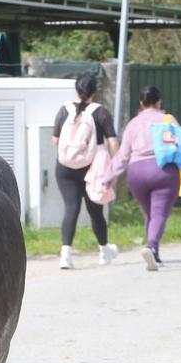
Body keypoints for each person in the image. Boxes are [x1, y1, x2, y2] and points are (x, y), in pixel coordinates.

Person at [100, 85, 181, 271]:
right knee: (159, 214)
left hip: (137, 173)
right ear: (159, 102)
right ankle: (151, 246)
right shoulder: (168, 120)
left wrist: (108, 176)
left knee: (150, 214)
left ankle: (154, 252)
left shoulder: (133, 124)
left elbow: (122, 155)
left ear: (141, 103)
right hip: (164, 171)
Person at [51, 72, 120, 269]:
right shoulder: (101, 112)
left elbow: (55, 140)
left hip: (65, 167)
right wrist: (115, 165)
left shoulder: (64, 111)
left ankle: (65, 256)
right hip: (93, 167)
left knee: (71, 208)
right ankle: (104, 251)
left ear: (76, 89)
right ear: (94, 92)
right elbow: (113, 142)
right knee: (96, 211)